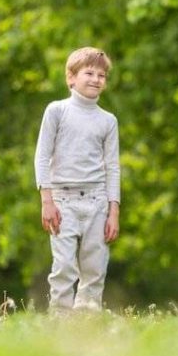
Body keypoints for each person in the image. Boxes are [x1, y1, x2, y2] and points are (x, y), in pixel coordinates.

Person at [34, 47, 121, 313]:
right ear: (71, 78)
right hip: (62, 201)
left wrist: (113, 211)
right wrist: (46, 201)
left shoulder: (108, 120)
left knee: (94, 266)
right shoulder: (57, 111)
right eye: (89, 73)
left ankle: (87, 321)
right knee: (64, 266)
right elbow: (42, 156)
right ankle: (59, 319)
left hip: (97, 201)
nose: (96, 79)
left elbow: (112, 167)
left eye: (102, 75)